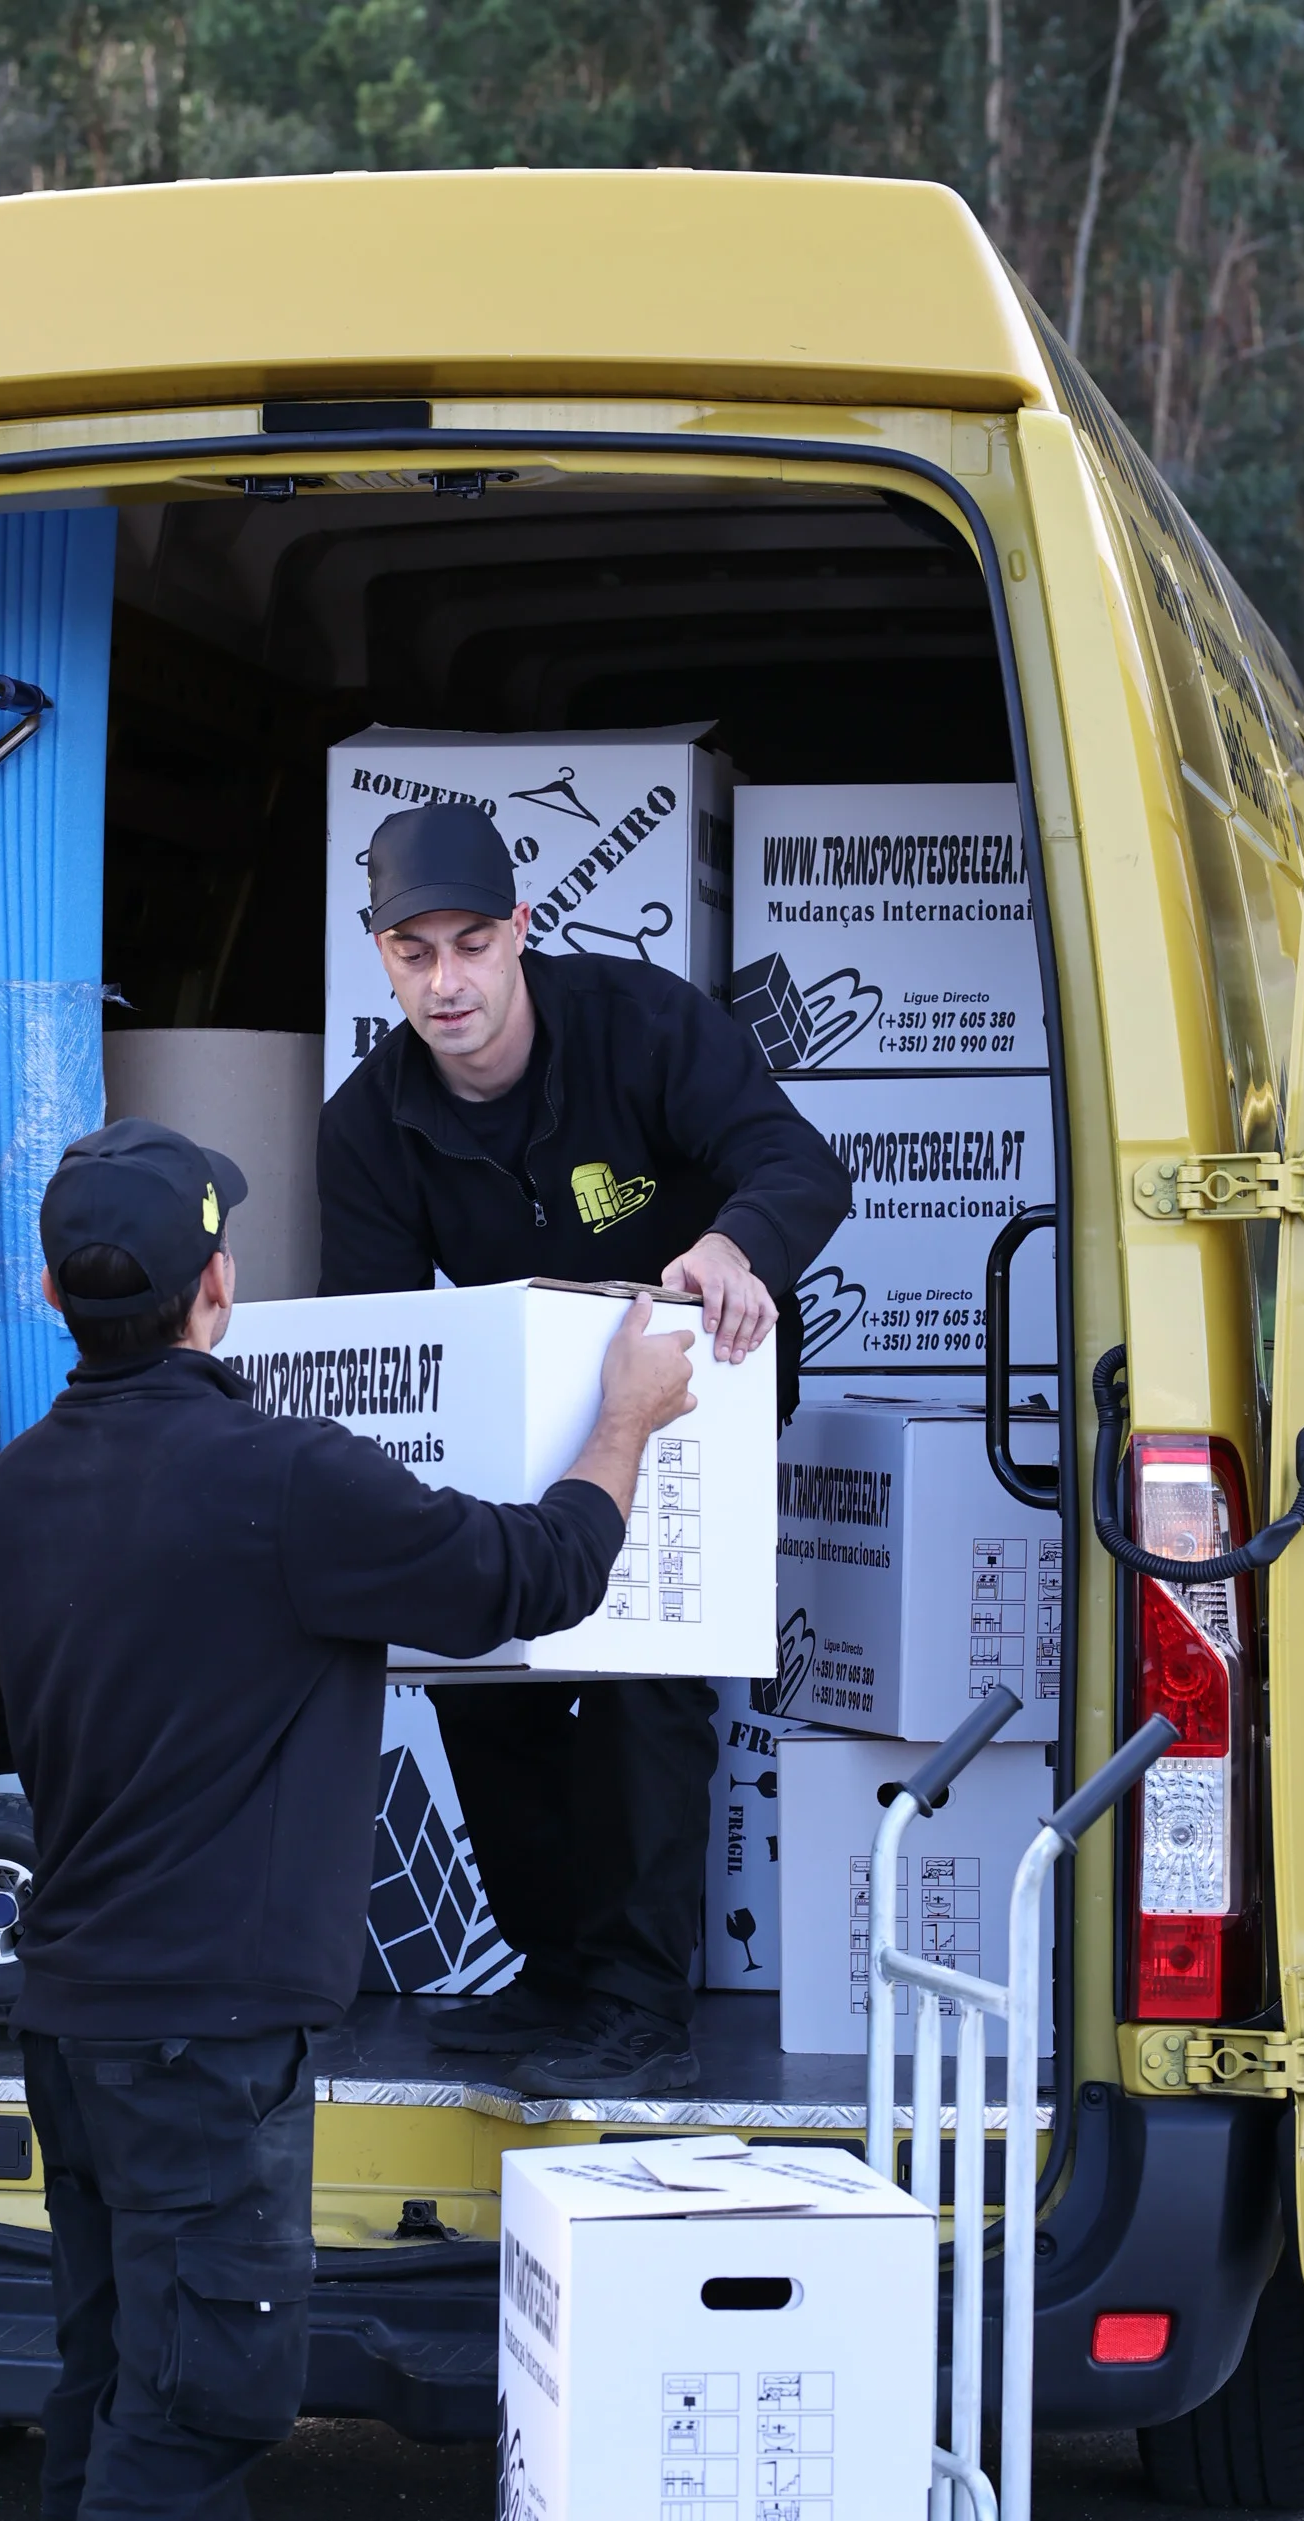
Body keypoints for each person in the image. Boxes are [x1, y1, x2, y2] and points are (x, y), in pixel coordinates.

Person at [0, 1114, 696, 2521]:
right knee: (192, 2416)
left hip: (73, 2026)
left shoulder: (13, 1496)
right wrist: (626, 1419)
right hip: (208, 2043)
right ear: (220, 1286)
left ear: (65, 1298)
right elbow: (538, 1576)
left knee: (117, 2392)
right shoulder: (286, 1482)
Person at [317, 799, 853, 2096]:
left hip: (691, 1383)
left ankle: (636, 2005)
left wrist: (739, 1244)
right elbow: (388, 1340)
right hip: (519, 1410)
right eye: (413, 954)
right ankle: (555, 1972)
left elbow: (799, 1165)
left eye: (470, 945)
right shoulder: (366, 1124)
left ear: (520, 931)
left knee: (640, 1683)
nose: (445, 983)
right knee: (470, 1657)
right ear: (379, 953)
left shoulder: (639, 1021)